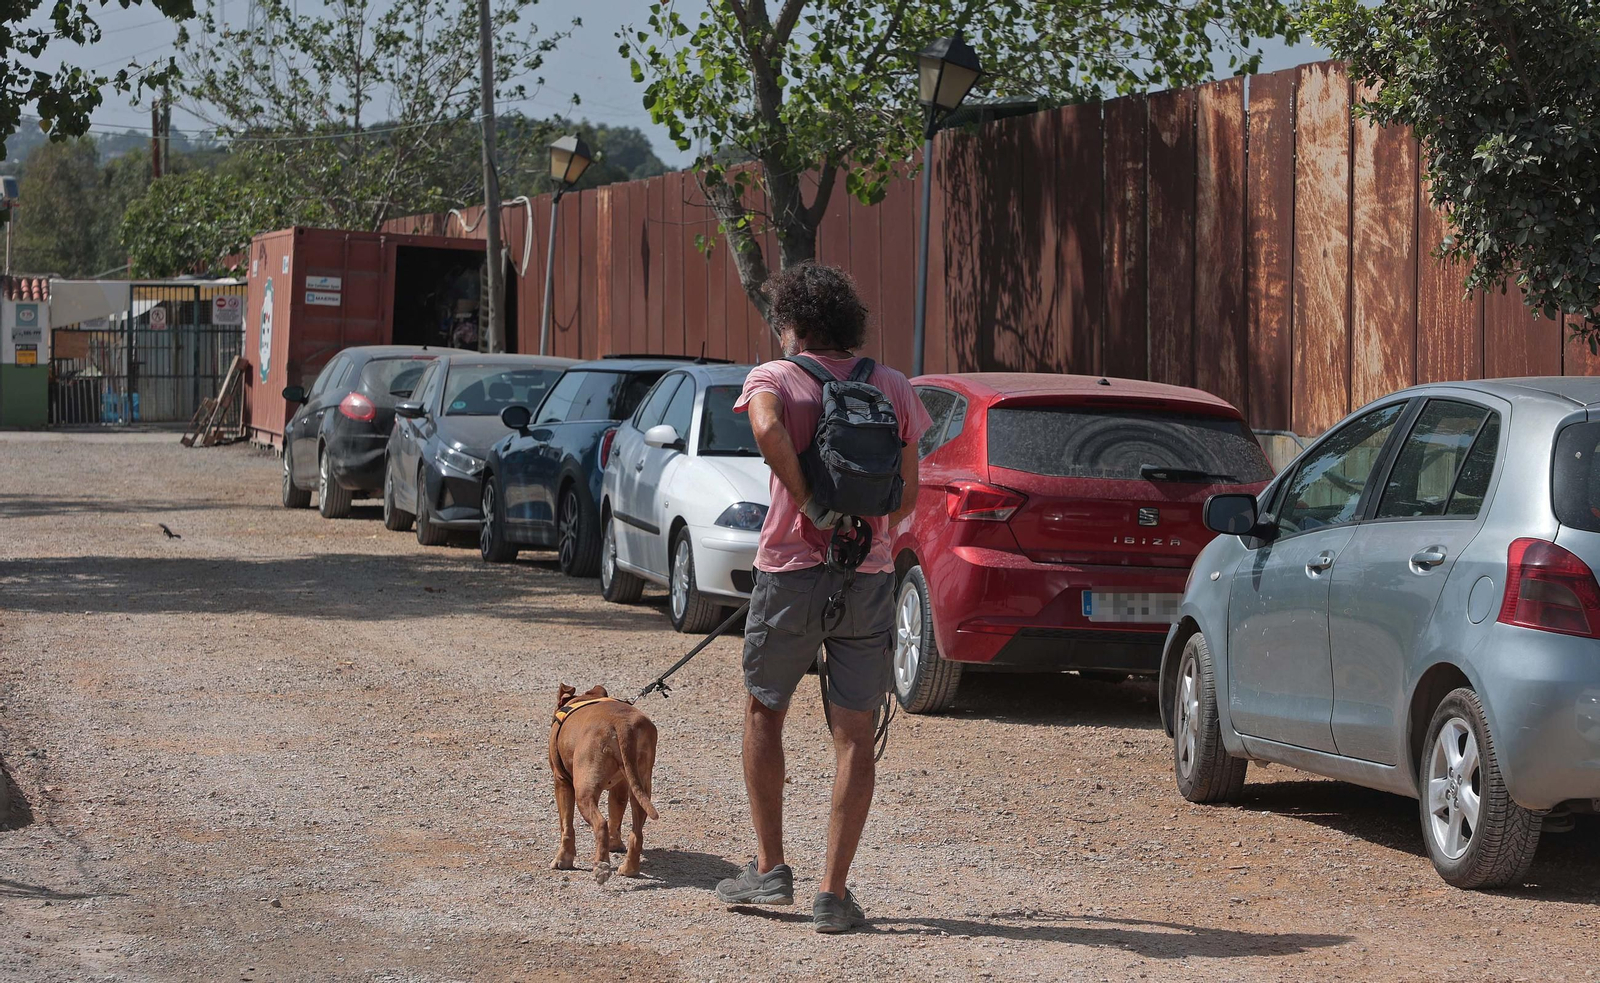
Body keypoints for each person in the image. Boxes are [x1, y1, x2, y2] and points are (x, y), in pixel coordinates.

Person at [715, 263, 932, 933]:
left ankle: (772, 867)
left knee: (764, 710)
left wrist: (810, 502)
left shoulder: (775, 378)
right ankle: (832, 893)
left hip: (788, 571)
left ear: (794, 323)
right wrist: (863, 531)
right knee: (855, 734)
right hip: (865, 577)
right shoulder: (892, 385)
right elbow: (908, 493)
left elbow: (765, 429)